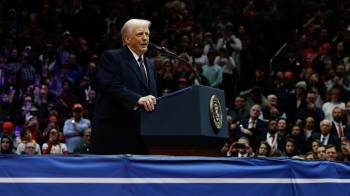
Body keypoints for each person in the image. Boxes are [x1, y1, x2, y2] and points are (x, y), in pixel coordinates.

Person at [91, 19, 157, 155]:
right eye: (140, 34)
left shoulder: (150, 65)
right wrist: (137, 99)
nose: (145, 38)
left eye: (147, 34)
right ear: (127, 39)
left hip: (142, 137)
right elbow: (110, 86)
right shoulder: (112, 57)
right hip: (115, 137)